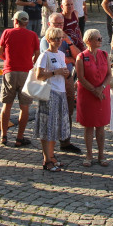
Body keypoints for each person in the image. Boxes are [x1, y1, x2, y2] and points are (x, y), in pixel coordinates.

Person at [0, 11, 40, 147]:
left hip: (10, 71)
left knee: (7, 105)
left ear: (15, 21)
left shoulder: (7, 32)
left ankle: (3, 136)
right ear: (26, 22)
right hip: (26, 72)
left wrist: (7, 60)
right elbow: (37, 54)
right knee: (24, 107)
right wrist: (31, 62)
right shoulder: (32, 35)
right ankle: (19, 137)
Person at [32, 27, 71, 171]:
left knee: (56, 126)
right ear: (48, 40)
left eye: (60, 38)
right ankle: (46, 159)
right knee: (47, 126)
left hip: (61, 92)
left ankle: (52, 155)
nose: (59, 41)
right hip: (49, 93)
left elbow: (64, 72)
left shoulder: (61, 54)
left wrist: (65, 73)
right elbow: (39, 75)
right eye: (55, 39)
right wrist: (55, 72)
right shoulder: (45, 55)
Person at [76, 28, 112, 167]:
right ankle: (89, 154)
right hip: (87, 94)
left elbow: (109, 74)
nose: (100, 40)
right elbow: (81, 77)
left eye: (101, 38)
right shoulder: (81, 56)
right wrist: (94, 90)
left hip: (102, 94)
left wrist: (101, 88)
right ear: (89, 41)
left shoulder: (104, 54)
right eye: (98, 38)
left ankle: (101, 154)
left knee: (101, 126)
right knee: (89, 126)